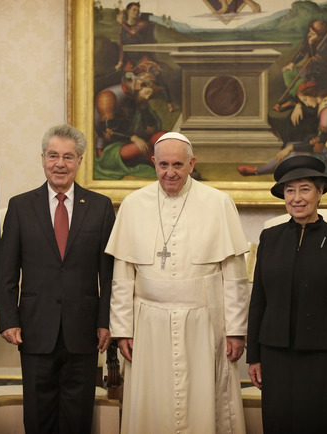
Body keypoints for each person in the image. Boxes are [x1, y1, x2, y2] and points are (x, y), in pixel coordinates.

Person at [107, 132, 250, 433]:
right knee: (152, 402)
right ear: (153, 163)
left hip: (204, 325)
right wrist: (122, 330)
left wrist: (236, 331)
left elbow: (235, 275)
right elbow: (122, 276)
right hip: (148, 325)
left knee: (203, 401)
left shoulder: (218, 202)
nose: (169, 173)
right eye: (163, 165)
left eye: (178, 165)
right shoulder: (133, 205)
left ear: (191, 164)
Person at [0, 124, 115, 434]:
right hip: (35, 329)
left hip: (84, 330)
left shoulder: (100, 207)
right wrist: (9, 319)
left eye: (68, 156)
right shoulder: (20, 206)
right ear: (42, 159)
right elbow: (6, 271)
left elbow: (109, 274)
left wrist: (105, 321)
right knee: (38, 417)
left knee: (78, 419)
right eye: (53, 156)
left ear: (80, 161)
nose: (59, 164)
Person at [246, 155, 327, 433]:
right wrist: (254, 356)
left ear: (320, 192)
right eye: (290, 190)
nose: (297, 198)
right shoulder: (269, 238)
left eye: (305, 189)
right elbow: (258, 300)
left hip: (323, 358)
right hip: (274, 355)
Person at [238, 79, 327, 182]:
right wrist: (291, 147)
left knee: (293, 154)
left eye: (305, 99)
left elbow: (318, 144)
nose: (306, 104)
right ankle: (261, 169)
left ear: (313, 93)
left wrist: (291, 148)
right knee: (290, 145)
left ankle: (258, 170)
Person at [94, 70, 166, 180]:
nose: (147, 98)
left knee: (163, 137)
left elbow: (151, 130)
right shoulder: (108, 97)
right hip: (109, 149)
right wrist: (133, 138)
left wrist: (143, 108)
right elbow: (108, 133)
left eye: (150, 96)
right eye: (147, 93)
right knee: (142, 148)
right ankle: (164, 169)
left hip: (135, 141)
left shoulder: (137, 99)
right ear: (139, 86)